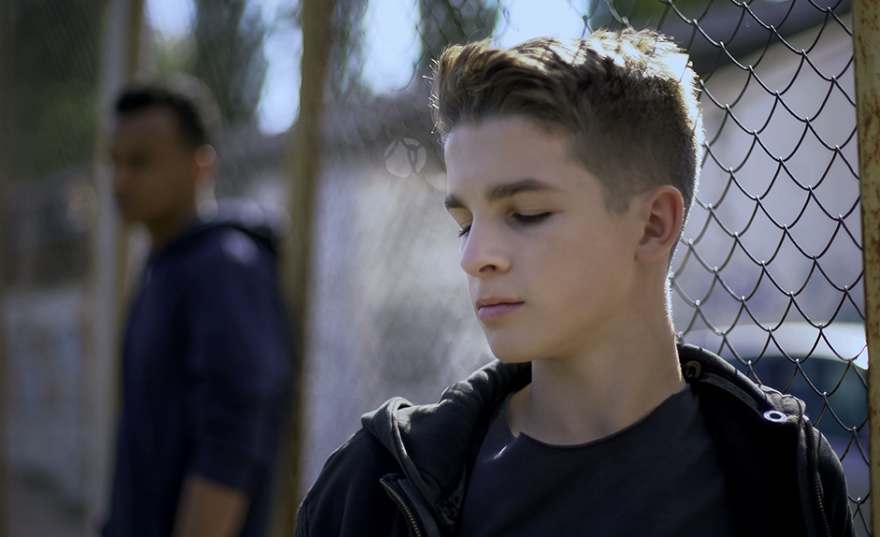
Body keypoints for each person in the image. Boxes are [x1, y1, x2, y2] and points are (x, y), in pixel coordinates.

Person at [294, 29, 854, 537]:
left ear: (653, 224)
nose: (475, 257)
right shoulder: (374, 488)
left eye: (527, 213)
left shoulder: (787, 473)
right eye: (464, 224)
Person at [103, 85, 293, 537]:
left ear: (199, 167)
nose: (120, 179)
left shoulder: (225, 266)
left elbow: (233, 435)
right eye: (114, 161)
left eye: (140, 162)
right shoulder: (164, 267)